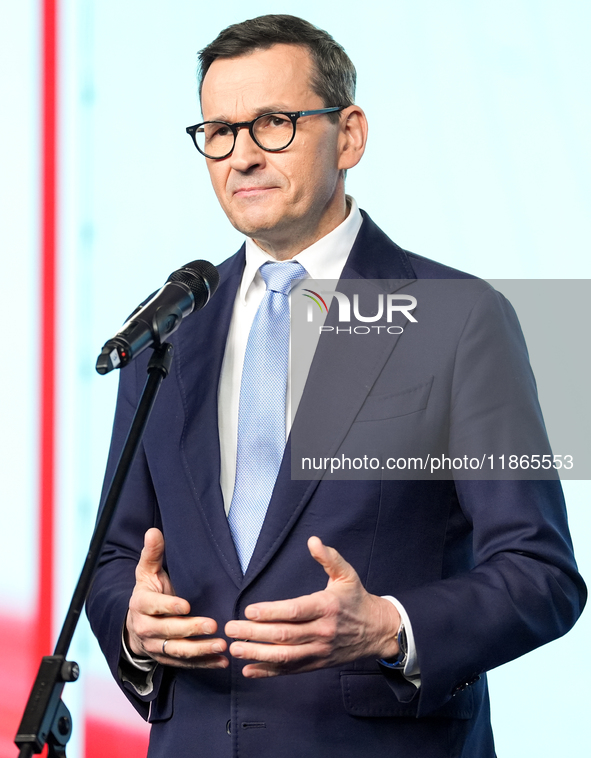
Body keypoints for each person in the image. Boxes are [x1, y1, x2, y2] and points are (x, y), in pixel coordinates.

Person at [87, 14, 586, 758]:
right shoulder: (170, 324)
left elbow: (540, 575)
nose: (242, 156)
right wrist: (132, 621)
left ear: (348, 135)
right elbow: (113, 560)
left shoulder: (459, 314)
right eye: (219, 132)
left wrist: (388, 626)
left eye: (274, 124)